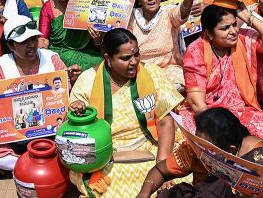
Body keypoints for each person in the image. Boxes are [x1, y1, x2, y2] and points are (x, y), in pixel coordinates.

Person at [68, 29, 184, 197]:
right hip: (105, 156)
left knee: (177, 180)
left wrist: (162, 167)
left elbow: (166, 121)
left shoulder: (152, 73)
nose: (134, 62)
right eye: (125, 58)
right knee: (109, 189)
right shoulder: (88, 80)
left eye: (136, 54)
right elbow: (74, 132)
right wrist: (79, 111)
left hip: (151, 146)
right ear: (108, 58)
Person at [180, 4, 263, 161]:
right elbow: (197, 104)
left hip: (240, 110)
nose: (233, 31)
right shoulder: (196, 50)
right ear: (210, 34)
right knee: (199, 143)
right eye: (225, 28)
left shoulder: (243, 40)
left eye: (234, 24)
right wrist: (223, 129)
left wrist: (246, 16)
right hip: (208, 115)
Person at [0, 15, 78, 172]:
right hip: (16, 137)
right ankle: (32, 162)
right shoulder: (1, 68)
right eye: (24, 42)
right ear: (11, 46)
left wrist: (71, 80)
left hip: (53, 131)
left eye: (34, 38)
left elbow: (67, 95)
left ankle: (31, 163)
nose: (31, 45)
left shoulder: (52, 59)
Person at [136, 108, 263, 198]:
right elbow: (160, 170)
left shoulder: (262, 159)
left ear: (229, 150)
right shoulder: (198, 149)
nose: (200, 148)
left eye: (207, 147)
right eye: (198, 141)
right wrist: (144, 193)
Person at [130, 0, 197, 87]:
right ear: (139, 0)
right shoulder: (131, 16)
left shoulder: (168, 11)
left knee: (178, 84)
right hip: (140, 69)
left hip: (168, 69)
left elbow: (181, 14)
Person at [39, 0, 104, 69]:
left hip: (88, 50)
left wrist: (97, 39)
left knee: (105, 62)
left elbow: (99, 44)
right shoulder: (48, 7)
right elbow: (43, 38)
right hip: (61, 52)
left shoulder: (87, 3)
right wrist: (42, 54)